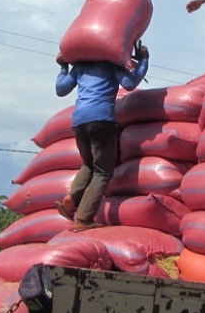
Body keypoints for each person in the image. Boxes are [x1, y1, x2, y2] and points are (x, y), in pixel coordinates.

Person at [53, 41, 149, 231]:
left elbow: (61, 89)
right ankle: (83, 219)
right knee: (103, 171)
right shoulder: (110, 63)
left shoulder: (80, 67)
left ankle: (72, 197)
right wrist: (144, 60)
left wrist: (64, 67)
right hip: (101, 119)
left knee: (89, 164)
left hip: (79, 121)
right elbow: (129, 83)